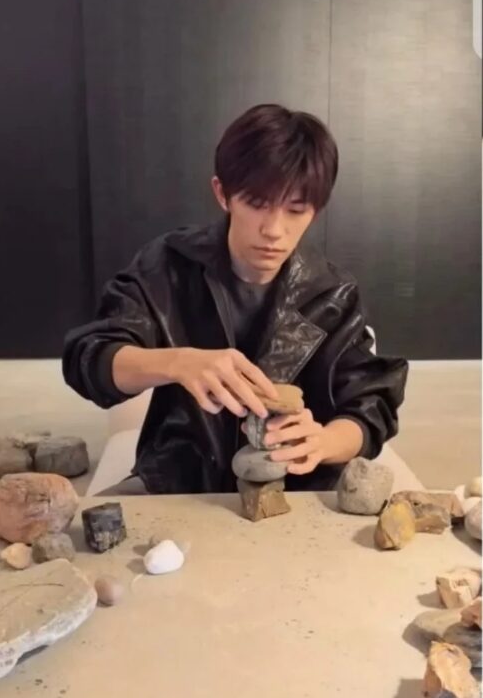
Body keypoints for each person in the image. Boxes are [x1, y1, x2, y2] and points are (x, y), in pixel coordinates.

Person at [63, 103, 408, 494]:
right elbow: (89, 359)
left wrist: (324, 442)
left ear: (316, 210)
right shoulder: (169, 264)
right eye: (257, 204)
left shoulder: (333, 293)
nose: (274, 229)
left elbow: (371, 406)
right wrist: (176, 362)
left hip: (295, 487)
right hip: (178, 479)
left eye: (296, 210)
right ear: (222, 194)